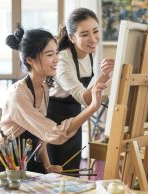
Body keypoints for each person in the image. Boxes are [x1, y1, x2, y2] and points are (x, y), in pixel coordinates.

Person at [0, 24, 106, 175]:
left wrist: (48, 167)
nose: (57, 60)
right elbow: (54, 133)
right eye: (49, 55)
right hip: (3, 168)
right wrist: (92, 107)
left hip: (25, 166)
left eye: (56, 53)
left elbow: (41, 137)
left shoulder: (44, 88)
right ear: (30, 60)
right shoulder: (18, 95)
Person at [47, 8, 114, 170]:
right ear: (72, 37)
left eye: (95, 31)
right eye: (84, 34)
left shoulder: (89, 51)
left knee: (72, 169)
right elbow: (85, 98)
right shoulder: (62, 61)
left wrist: (104, 75)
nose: (93, 39)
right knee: (57, 173)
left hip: (75, 114)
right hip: (54, 118)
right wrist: (104, 75)